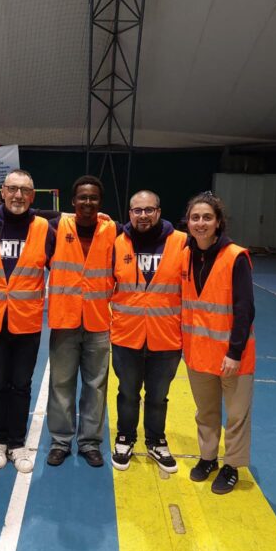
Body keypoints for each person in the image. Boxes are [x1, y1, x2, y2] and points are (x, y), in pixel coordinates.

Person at [0, 169, 56, 473]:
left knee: (21, 385)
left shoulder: (44, 229)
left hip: (25, 325)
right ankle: (0, 441)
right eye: (13, 189)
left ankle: (17, 443)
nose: (18, 195)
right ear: (2, 192)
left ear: (32, 196)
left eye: (25, 190)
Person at [182, 191, 256, 495]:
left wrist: (235, 352)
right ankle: (208, 458)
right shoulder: (185, 255)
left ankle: (231, 466)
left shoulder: (235, 257)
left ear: (218, 222)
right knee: (206, 413)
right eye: (195, 217)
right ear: (188, 222)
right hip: (198, 354)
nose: (200, 223)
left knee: (236, 416)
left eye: (207, 217)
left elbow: (245, 309)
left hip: (232, 356)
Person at [110, 190, 186, 474]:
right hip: (126, 335)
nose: (143, 215)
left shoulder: (181, 242)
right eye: (137, 210)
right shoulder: (117, 243)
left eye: (149, 210)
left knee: (158, 395)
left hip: (166, 336)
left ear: (159, 212)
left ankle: (156, 440)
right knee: (128, 392)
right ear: (129, 213)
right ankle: (125, 437)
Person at [46, 175, 120, 468]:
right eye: (82, 197)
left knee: (96, 386)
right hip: (64, 320)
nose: (88, 202)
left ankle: (90, 442)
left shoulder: (113, 230)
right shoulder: (56, 226)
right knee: (60, 384)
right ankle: (60, 441)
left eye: (93, 198)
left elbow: (151, 227)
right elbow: (30, 213)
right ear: (73, 201)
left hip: (99, 322)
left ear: (100, 203)